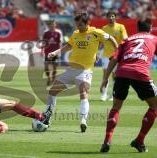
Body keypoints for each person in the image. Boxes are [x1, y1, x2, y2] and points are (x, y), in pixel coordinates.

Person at [42, 12, 118, 132]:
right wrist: (55, 53)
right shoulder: (76, 33)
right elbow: (67, 46)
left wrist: (117, 53)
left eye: (81, 25)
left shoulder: (96, 32)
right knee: (52, 91)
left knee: (83, 93)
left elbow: (111, 39)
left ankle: (83, 120)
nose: (78, 27)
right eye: (77, 24)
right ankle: (47, 116)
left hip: (85, 71)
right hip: (70, 70)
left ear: (88, 23)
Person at [100, 18, 157, 153]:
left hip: (122, 72)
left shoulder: (128, 39)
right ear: (150, 28)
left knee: (116, 107)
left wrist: (105, 78)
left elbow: (114, 58)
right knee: (154, 106)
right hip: (140, 72)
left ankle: (107, 140)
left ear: (137, 28)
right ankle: (139, 140)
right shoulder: (153, 38)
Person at [100, 9, 128, 101]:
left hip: (117, 55)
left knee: (115, 76)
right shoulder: (104, 28)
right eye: (109, 16)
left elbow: (125, 38)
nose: (111, 18)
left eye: (113, 16)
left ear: (115, 17)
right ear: (107, 17)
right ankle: (104, 95)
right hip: (106, 55)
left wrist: (123, 40)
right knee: (105, 75)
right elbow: (100, 42)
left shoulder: (120, 27)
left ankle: (112, 95)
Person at [42, 20, 63, 85]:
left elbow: (60, 43)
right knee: (46, 68)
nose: (52, 25)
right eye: (50, 24)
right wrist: (42, 50)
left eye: (53, 24)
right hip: (47, 52)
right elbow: (44, 42)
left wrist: (59, 52)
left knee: (54, 67)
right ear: (49, 25)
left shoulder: (58, 32)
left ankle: (53, 79)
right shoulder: (45, 33)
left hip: (55, 52)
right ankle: (49, 78)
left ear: (55, 25)